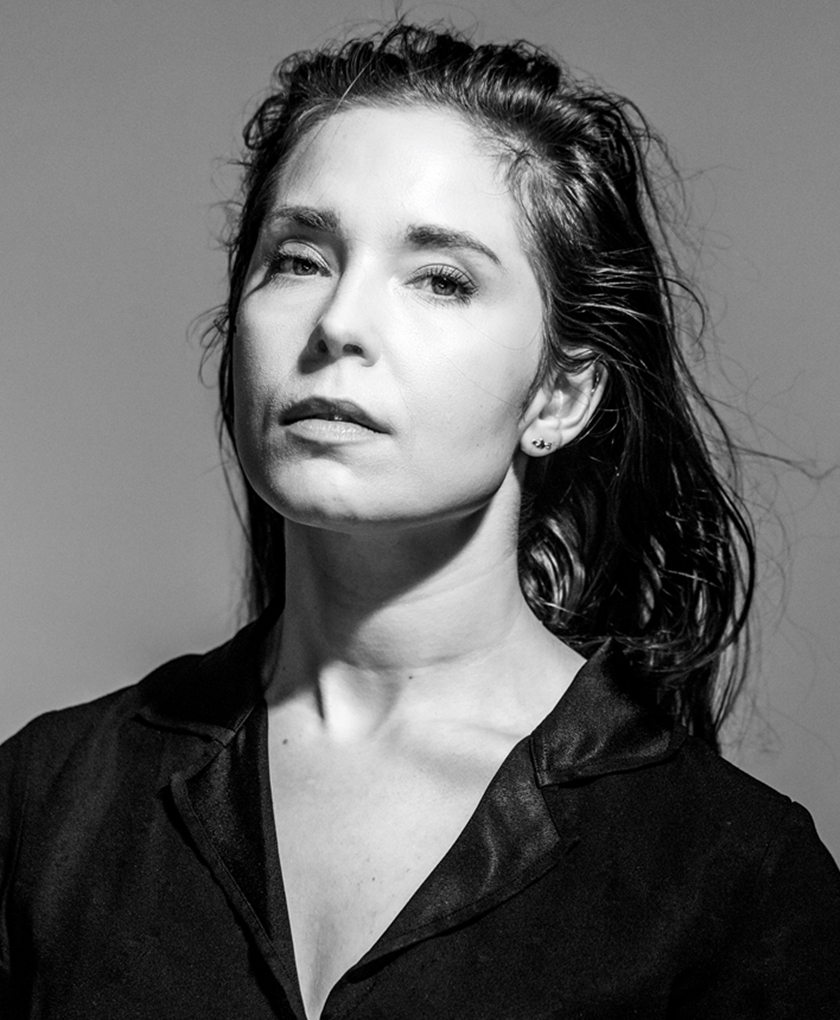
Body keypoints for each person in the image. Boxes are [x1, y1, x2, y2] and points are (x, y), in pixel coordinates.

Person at [1, 21, 838, 1020]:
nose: (339, 324)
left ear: (561, 394)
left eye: (441, 278)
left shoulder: (733, 880)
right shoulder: (49, 801)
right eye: (299, 260)